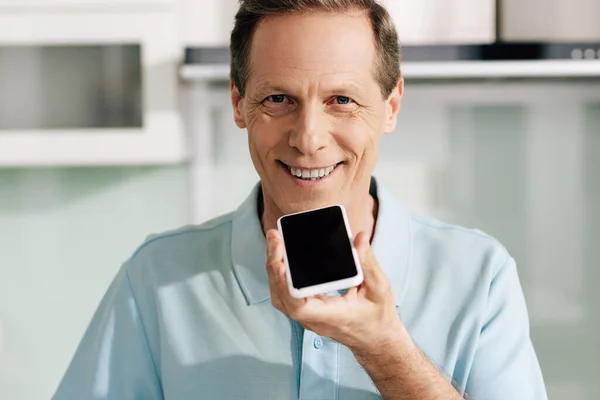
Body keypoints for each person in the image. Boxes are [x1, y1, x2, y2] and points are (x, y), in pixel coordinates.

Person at [52, 0, 548, 399]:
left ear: (391, 106)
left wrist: (384, 348)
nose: (308, 138)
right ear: (238, 103)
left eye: (342, 100)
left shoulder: (479, 277)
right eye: (278, 99)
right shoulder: (155, 280)